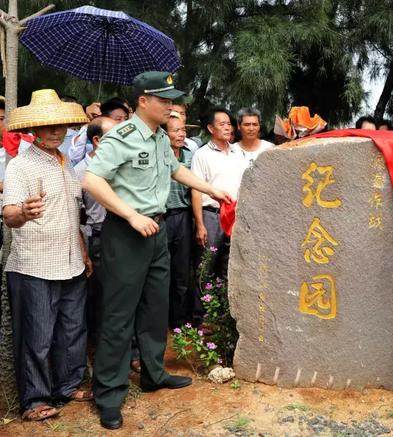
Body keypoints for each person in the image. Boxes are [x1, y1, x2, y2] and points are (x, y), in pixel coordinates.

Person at [83, 71, 232, 430]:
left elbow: (176, 171)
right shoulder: (122, 136)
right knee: (119, 316)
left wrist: (211, 190)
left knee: (155, 308)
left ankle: (152, 373)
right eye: (164, 99)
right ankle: (108, 393)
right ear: (143, 101)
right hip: (127, 232)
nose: (170, 105)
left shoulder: (159, 138)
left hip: (157, 231)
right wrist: (131, 215)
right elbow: (91, 179)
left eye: (172, 100)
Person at [2, 89, 93, 421]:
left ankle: (67, 387)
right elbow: (9, 213)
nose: (56, 131)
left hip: (70, 262)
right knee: (36, 338)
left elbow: (72, 215)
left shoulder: (67, 163)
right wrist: (24, 212)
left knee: (72, 330)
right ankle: (35, 400)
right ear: (35, 129)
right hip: (34, 265)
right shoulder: (20, 166)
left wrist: (83, 254)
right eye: (48, 126)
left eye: (60, 125)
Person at [74, 116, 117, 348]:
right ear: (97, 140)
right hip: (97, 236)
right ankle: (98, 349)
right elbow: (77, 214)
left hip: (122, 235)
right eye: (114, 135)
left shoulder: (120, 164)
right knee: (98, 297)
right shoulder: (81, 171)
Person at [191, 107, 247, 277]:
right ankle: (201, 303)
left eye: (229, 124)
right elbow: (195, 190)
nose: (227, 128)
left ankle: (225, 302)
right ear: (210, 128)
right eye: (222, 124)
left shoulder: (238, 152)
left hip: (236, 214)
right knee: (206, 264)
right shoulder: (202, 155)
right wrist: (200, 225)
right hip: (212, 216)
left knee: (231, 264)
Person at [164, 112, 197, 328]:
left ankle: (178, 321)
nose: (181, 134)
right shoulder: (159, 155)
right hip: (162, 218)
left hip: (183, 217)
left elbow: (195, 188)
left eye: (183, 130)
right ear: (164, 134)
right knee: (161, 271)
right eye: (176, 130)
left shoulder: (190, 155)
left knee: (182, 272)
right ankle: (160, 320)